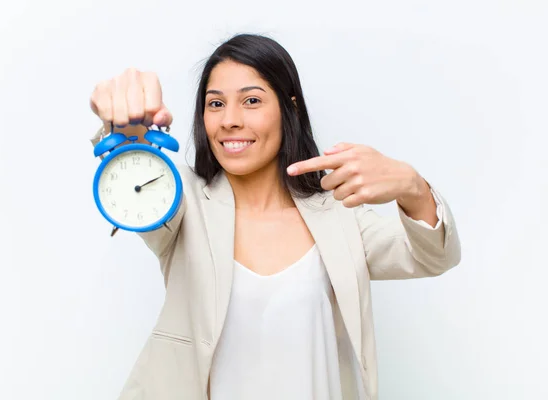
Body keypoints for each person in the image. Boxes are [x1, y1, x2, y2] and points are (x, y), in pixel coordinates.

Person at [89, 33, 461, 400]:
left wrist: (413, 186)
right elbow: (132, 185)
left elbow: (434, 256)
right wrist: (125, 127)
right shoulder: (182, 200)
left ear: (290, 108)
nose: (230, 120)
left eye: (251, 100)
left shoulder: (340, 218)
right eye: (215, 104)